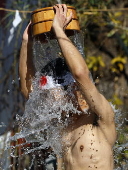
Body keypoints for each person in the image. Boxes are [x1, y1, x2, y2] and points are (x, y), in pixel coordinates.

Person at [19, 4, 117, 170]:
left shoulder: (99, 117)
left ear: (74, 89)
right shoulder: (60, 125)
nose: (47, 98)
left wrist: (59, 30)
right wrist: (26, 42)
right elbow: (28, 90)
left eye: (51, 93)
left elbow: (80, 74)